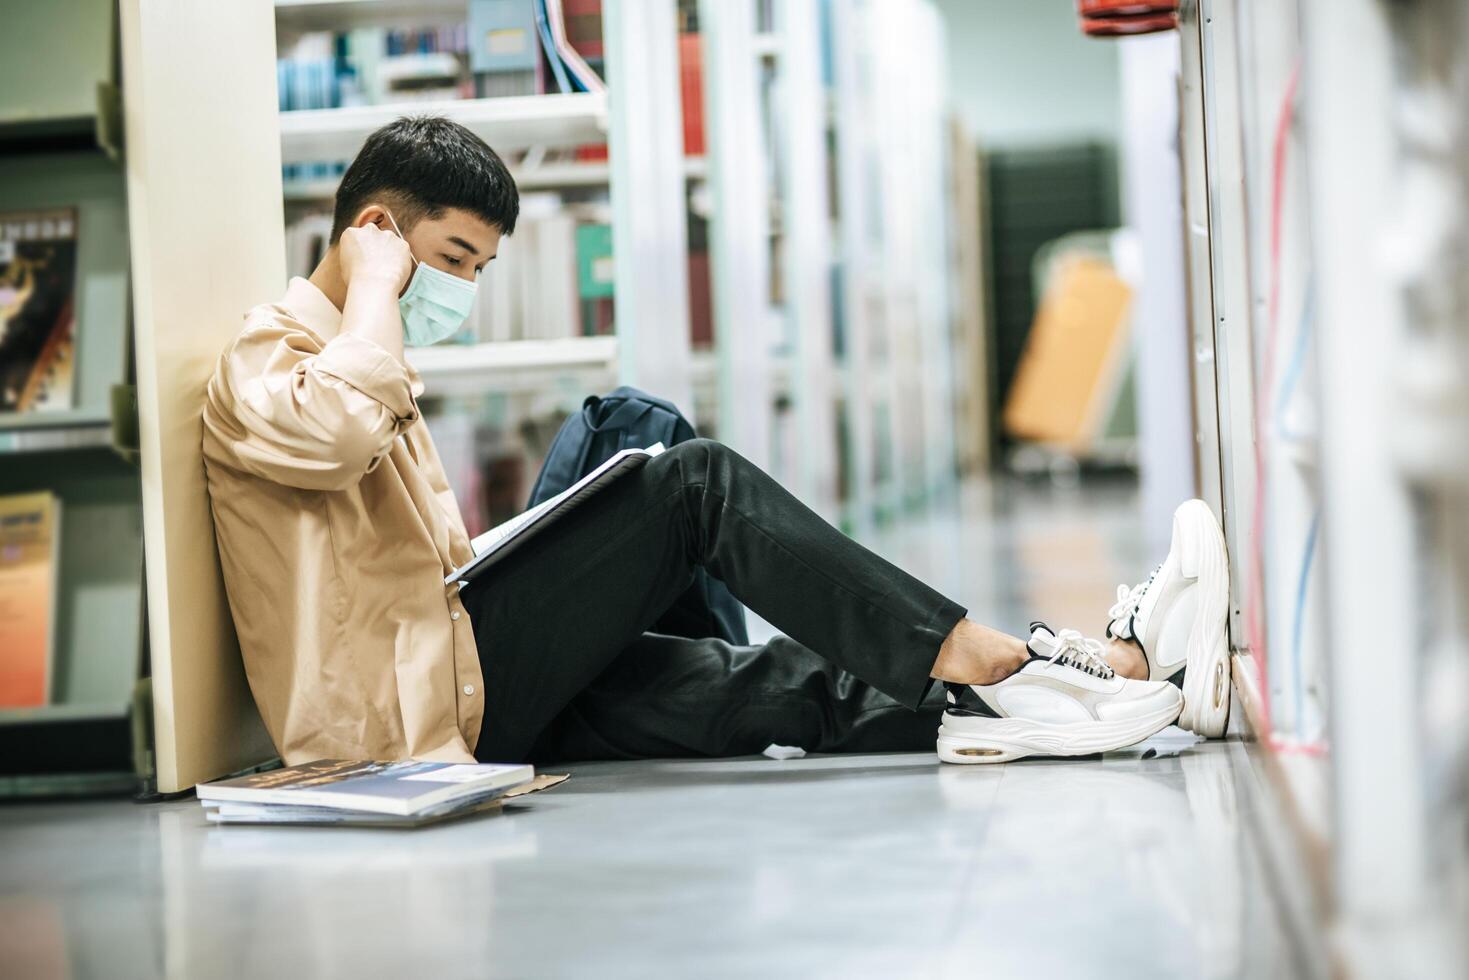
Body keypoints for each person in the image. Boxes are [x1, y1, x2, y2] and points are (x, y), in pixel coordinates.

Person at [201, 117, 1232, 769]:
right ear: (373, 227)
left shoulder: (354, 349)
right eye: (450, 258)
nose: (462, 290)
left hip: (460, 660)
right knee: (692, 488)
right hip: (411, 715)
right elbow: (335, 435)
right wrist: (375, 288)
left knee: (740, 645)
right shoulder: (268, 351)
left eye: (481, 265)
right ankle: (973, 646)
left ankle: (1030, 696)